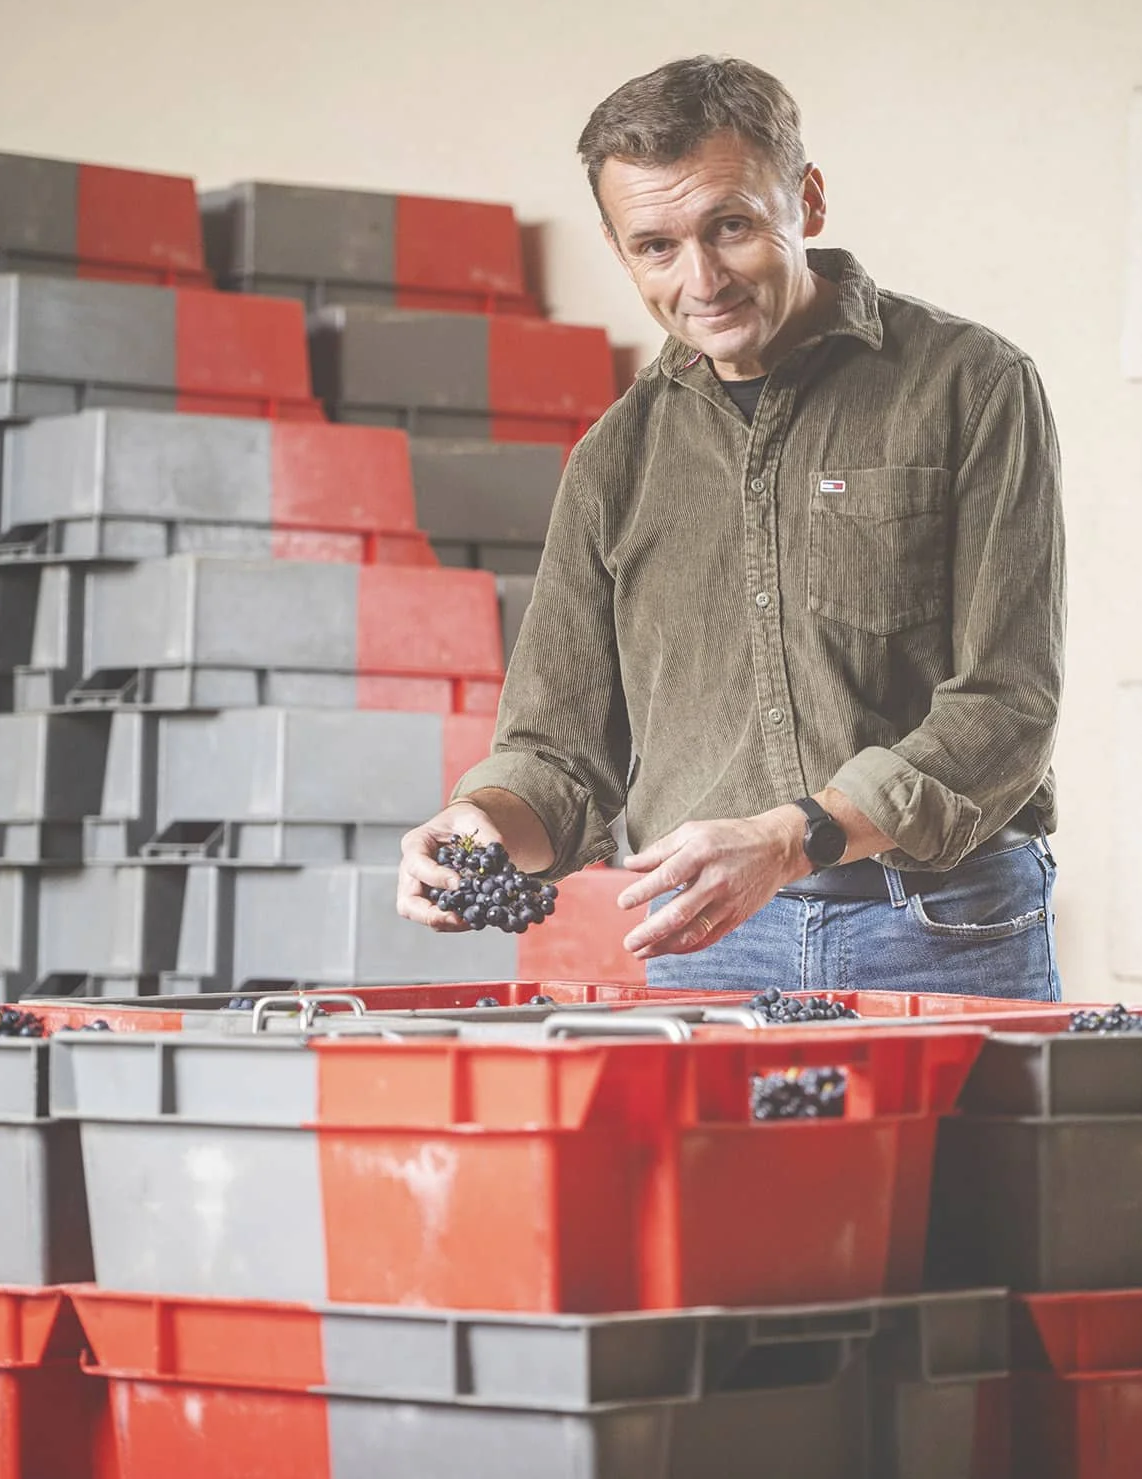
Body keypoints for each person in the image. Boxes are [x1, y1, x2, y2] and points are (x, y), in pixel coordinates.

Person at [397, 55, 1066, 998]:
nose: (701, 279)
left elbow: (1007, 704)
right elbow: (556, 752)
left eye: (732, 227)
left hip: (941, 923)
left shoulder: (973, 387)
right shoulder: (616, 457)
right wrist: (485, 823)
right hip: (712, 940)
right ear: (619, 249)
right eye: (656, 246)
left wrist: (792, 837)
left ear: (808, 201)